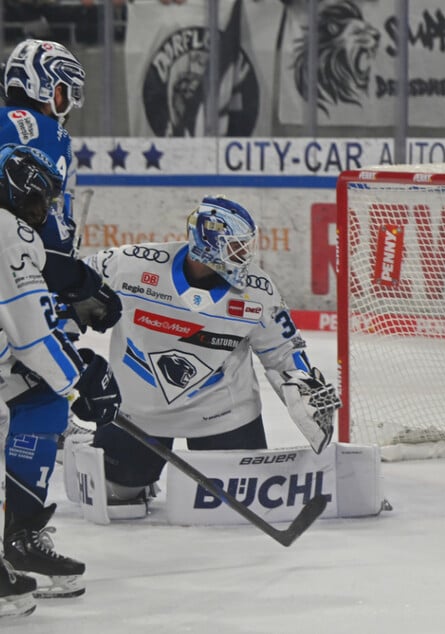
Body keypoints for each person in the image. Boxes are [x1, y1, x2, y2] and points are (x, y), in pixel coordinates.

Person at [83, 195, 340, 512]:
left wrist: (306, 394)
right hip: (138, 414)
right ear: (208, 243)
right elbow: (70, 285)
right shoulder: (132, 265)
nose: (243, 255)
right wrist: (68, 341)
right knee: (114, 495)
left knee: (238, 505)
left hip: (223, 416)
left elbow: (284, 353)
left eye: (244, 246)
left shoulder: (258, 290)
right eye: (235, 246)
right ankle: (103, 455)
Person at [0, 38, 122, 598]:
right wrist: (71, 281)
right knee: (38, 391)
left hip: (24, 282)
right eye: (65, 88)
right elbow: (33, 242)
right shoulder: (30, 128)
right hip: (19, 284)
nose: (68, 102)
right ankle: (19, 540)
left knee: (37, 397)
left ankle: (20, 540)